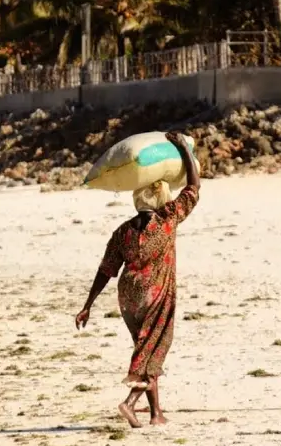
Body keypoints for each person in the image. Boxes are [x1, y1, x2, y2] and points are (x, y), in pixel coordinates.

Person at [75, 131, 201, 428]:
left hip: (127, 294)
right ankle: (130, 403)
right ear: (161, 196)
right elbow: (194, 187)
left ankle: (156, 413)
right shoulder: (168, 217)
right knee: (153, 348)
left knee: (145, 347)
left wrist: (88, 304)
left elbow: (106, 269)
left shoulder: (123, 231)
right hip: (155, 292)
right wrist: (183, 148)